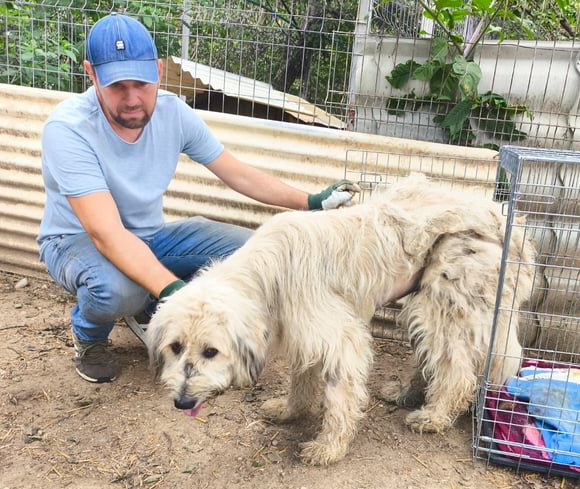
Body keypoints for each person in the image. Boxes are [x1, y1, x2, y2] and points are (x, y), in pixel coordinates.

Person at [38, 13, 360, 384]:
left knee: (249, 252)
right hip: (76, 242)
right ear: (91, 74)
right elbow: (105, 234)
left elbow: (236, 172)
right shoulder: (68, 129)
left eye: (142, 83)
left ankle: (149, 299)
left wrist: (311, 202)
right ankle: (90, 337)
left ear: (158, 70)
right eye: (117, 86)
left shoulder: (173, 113)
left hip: (148, 235)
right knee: (118, 289)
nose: (132, 99)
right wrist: (176, 293)